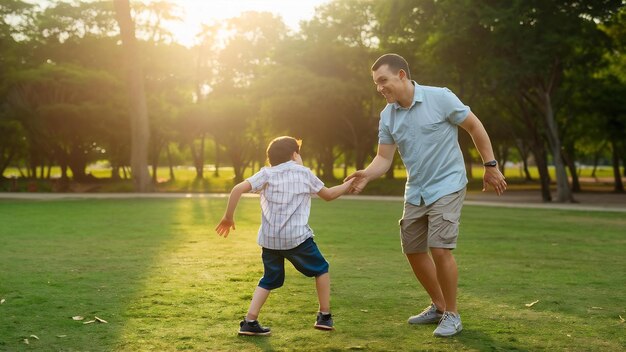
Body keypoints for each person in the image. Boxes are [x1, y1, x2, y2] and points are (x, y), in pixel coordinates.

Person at [345, 53, 507, 337]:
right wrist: (366, 174)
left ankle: (453, 315)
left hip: (448, 184)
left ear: (402, 76)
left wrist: (490, 165)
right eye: (376, 84)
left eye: (383, 80)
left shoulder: (440, 98)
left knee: (440, 248)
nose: (380, 88)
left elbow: (474, 126)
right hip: (416, 190)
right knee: (412, 248)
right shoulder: (388, 116)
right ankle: (439, 305)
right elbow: (383, 158)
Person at [215, 136, 354, 336]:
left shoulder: (267, 174)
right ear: (294, 154)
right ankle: (324, 316)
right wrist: (349, 184)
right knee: (321, 269)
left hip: (270, 240)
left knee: (269, 279)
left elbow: (237, 189)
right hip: (296, 238)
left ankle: (249, 321)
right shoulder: (304, 173)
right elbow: (329, 195)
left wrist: (228, 217)